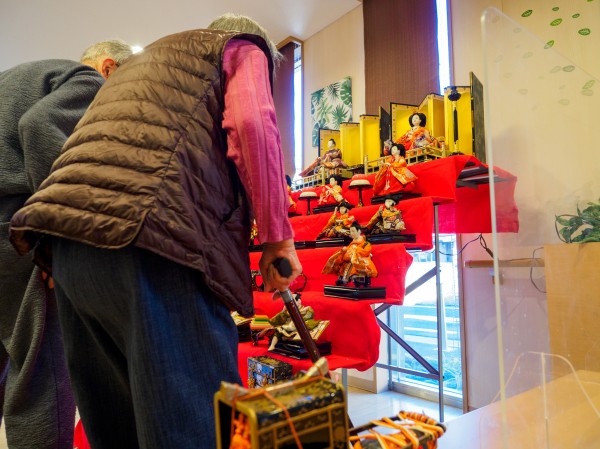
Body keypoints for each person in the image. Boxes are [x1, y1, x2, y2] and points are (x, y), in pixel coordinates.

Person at [10, 14, 301, 449]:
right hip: (152, 237)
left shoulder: (141, 67)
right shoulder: (240, 46)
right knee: (195, 428)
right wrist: (278, 237)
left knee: (118, 428)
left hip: (66, 245)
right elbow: (253, 125)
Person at [0, 40, 132, 449]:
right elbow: (38, 125)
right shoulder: (88, 81)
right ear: (109, 69)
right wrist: (58, 238)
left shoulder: (19, 79)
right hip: (16, 234)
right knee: (40, 376)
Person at [322, 222, 378, 286]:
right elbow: (347, 253)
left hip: (358, 260)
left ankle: (357, 278)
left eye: (353, 231)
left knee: (355, 265)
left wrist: (355, 251)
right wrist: (344, 251)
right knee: (342, 262)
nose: (351, 233)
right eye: (351, 231)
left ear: (359, 231)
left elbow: (366, 252)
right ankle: (342, 279)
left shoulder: (366, 243)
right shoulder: (352, 244)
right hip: (350, 260)